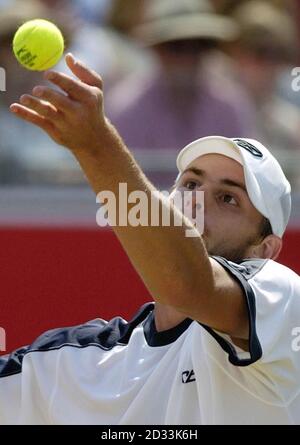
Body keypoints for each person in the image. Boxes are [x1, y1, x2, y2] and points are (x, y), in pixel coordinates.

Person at [2, 53, 300, 425]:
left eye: (228, 198)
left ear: (264, 250)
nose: (197, 199)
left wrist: (96, 145)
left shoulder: (285, 299)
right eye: (190, 183)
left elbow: (187, 284)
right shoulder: (83, 360)